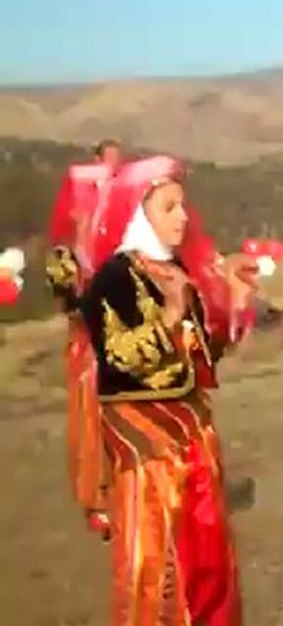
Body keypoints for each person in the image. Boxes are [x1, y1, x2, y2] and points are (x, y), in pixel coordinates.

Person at [80, 155, 257, 625]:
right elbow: (118, 355)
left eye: (182, 206)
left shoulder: (177, 272)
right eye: (168, 207)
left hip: (192, 428)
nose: (183, 217)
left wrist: (232, 306)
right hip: (145, 435)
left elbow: (199, 358)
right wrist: (172, 315)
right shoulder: (114, 279)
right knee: (153, 554)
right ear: (139, 214)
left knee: (206, 549)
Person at [46, 159, 115, 538]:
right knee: (90, 421)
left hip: (118, 349)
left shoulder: (118, 243)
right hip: (88, 348)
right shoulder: (64, 255)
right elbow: (66, 298)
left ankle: (120, 496)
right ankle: (96, 500)